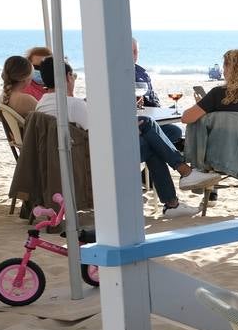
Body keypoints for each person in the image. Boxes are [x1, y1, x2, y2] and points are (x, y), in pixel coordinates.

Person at [36, 58, 200, 219]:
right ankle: (181, 177)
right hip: (97, 160)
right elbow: (100, 137)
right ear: (67, 77)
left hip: (70, 156)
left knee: (165, 131)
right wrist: (127, 133)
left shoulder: (42, 103)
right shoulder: (73, 105)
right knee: (150, 133)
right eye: (73, 76)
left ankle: (174, 199)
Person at [180, 49, 238, 124]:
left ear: (229, 70)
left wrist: (203, 105)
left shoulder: (218, 93)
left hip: (220, 142)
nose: (223, 72)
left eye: (224, 68)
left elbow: (185, 118)